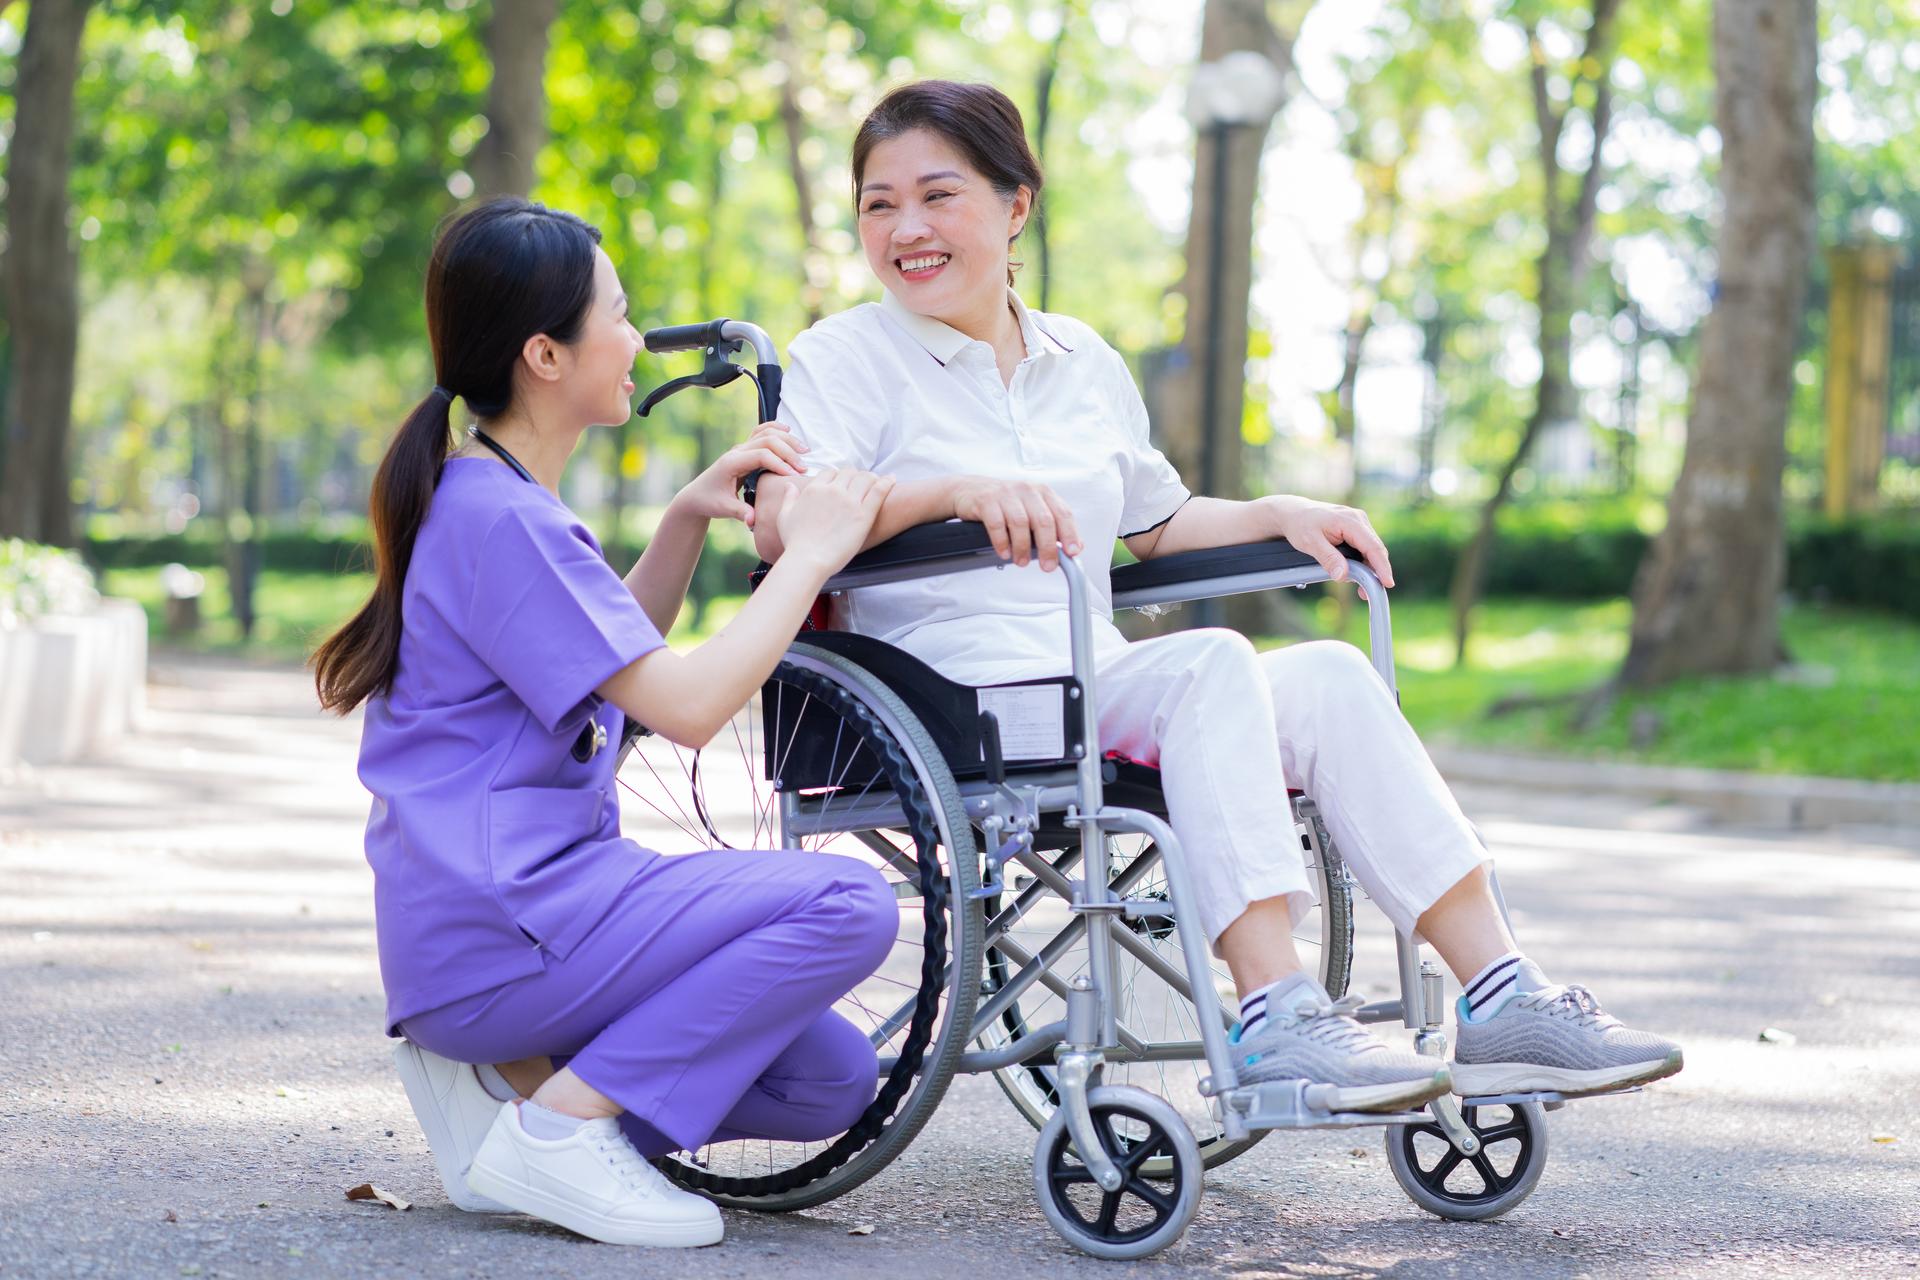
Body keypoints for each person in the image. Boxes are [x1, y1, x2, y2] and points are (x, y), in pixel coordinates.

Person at [750, 81, 1683, 1114]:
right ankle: (1277, 1007)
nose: (907, 229)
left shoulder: (1082, 359)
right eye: (879, 204)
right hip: (952, 694)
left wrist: (1274, 509)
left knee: (1325, 673)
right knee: (1210, 662)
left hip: (1091, 676)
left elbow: (1152, 523)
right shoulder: (846, 356)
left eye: (937, 195)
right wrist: (954, 490)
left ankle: (1502, 992)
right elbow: (781, 519)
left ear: (1017, 205)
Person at [312, 197, 899, 1248]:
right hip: (510, 924)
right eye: (617, 315)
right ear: (545, 352)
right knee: (848, 903)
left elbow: (609, 658)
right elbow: (682, 704)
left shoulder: (490, 498)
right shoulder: (500, 518)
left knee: (829, 1078)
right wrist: (810, 553)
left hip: (519, 923)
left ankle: (515, 1081)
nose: (636, 340)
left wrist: (679, 518)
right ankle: (560, 1128)